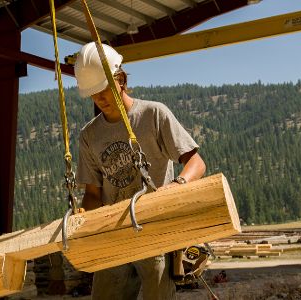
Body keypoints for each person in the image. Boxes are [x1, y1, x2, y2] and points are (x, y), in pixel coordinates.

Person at [74, 42, 207, 299]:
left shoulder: (153, 115)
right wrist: (83, 217)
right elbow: (93, 194)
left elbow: (196, 163)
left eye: (104, 89)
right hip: (114, 235)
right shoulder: (89, 136)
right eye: (93, 93)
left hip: (154, 231)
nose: (100, 99)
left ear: (121, 80)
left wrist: (177, 186)